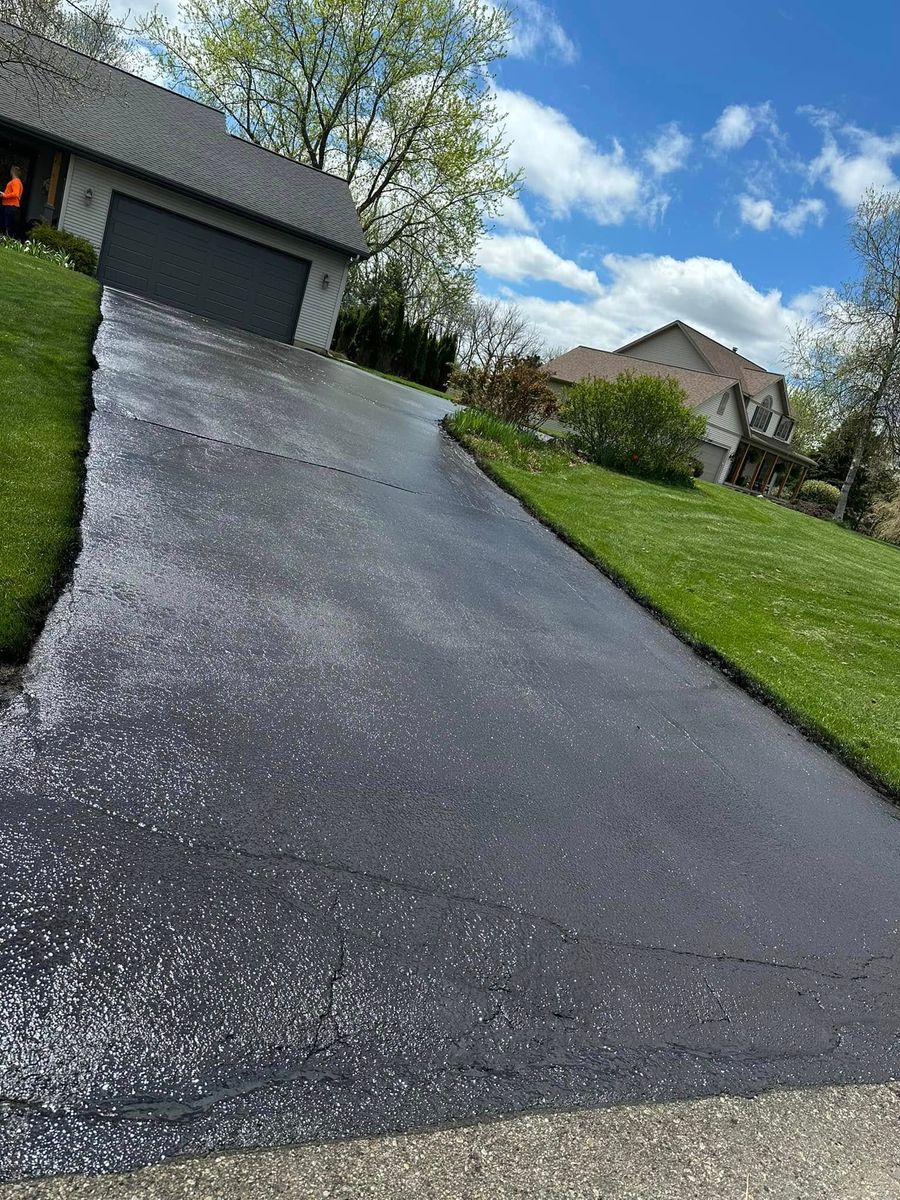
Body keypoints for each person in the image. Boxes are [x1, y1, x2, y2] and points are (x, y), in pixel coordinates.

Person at [1, 166, 23, 238]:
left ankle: (7, 239)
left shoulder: (15, 181)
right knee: (9, 225)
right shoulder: (18, 182)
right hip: (11, 206)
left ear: (12, 172)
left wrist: (4, 195)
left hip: (10, 206)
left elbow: (15, 194)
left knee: (8, 225)